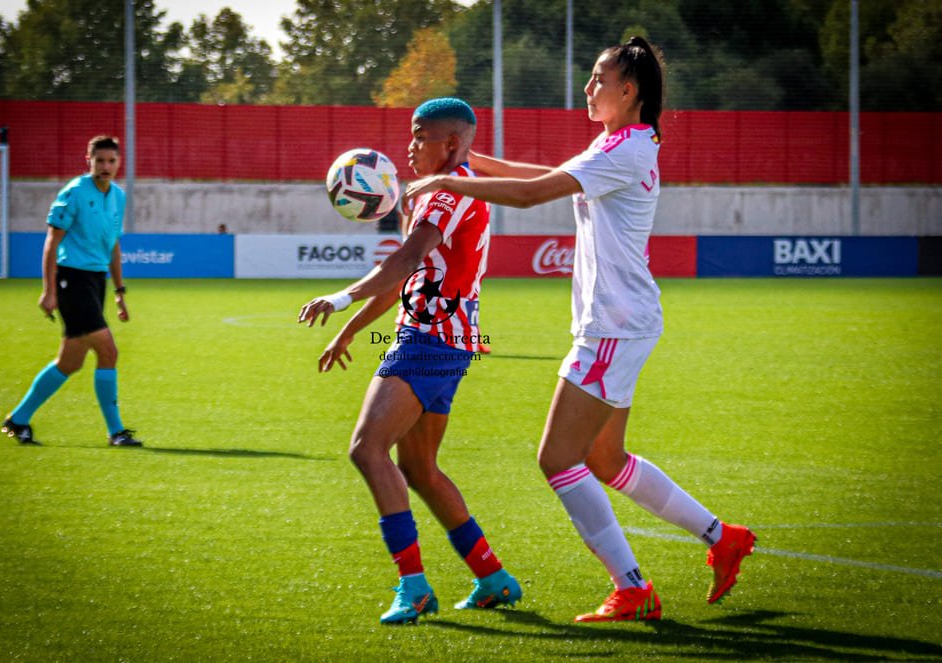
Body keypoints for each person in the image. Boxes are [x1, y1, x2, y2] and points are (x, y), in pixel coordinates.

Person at [404, 38, 755, 622]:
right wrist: (471, 163)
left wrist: (448, 182)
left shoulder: (627, 148)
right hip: (622, 322)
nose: (588, 88)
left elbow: (532, 194)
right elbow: (546, 176)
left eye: (598, 79)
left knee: (557, 457)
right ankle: (723, 538)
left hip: (612, 327)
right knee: (606, 459)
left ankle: (632, 587)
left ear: (629, 90)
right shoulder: (620, 142)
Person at [298, 98, 521, 625]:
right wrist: (351, 330)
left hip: (429, 343)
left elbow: (405, 259)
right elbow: (406, 275)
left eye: (421, 136)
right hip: (444, 343)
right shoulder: (436, 193)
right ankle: (492, 577)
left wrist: (342, 298)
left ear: (451, 143)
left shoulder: (450, 191)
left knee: (366, 449)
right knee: (418, 468)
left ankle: (414, 587)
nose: (410, 146)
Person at [1, 135, 141, 448]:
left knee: (70, 363)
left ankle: (18, 419)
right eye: (99, 160)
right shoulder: (74, 192)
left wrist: (119, 290)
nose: (105, 166)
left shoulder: (118, 196)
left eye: (111, 161)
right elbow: (51, 243)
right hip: (71, 280)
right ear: (88, 161)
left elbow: (113, 245)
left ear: (119, 163)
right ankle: (116, 431)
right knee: (108, 351)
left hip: (95, 281)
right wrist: (49, 290)